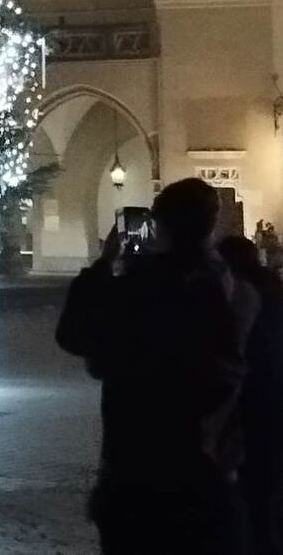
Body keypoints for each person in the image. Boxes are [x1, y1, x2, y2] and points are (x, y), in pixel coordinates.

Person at [57, 177, 256, 555]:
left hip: (136, 473)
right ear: (212, 224)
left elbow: (73, 335)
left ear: (158, 225)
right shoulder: (237, 290)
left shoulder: (137, 288)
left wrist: (102, 268)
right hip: (208, 475)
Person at [221, 235, 283, 555]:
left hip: (252, 400)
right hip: (274, 396)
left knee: (253, 492)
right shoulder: (274, 289)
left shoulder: (239, 295)